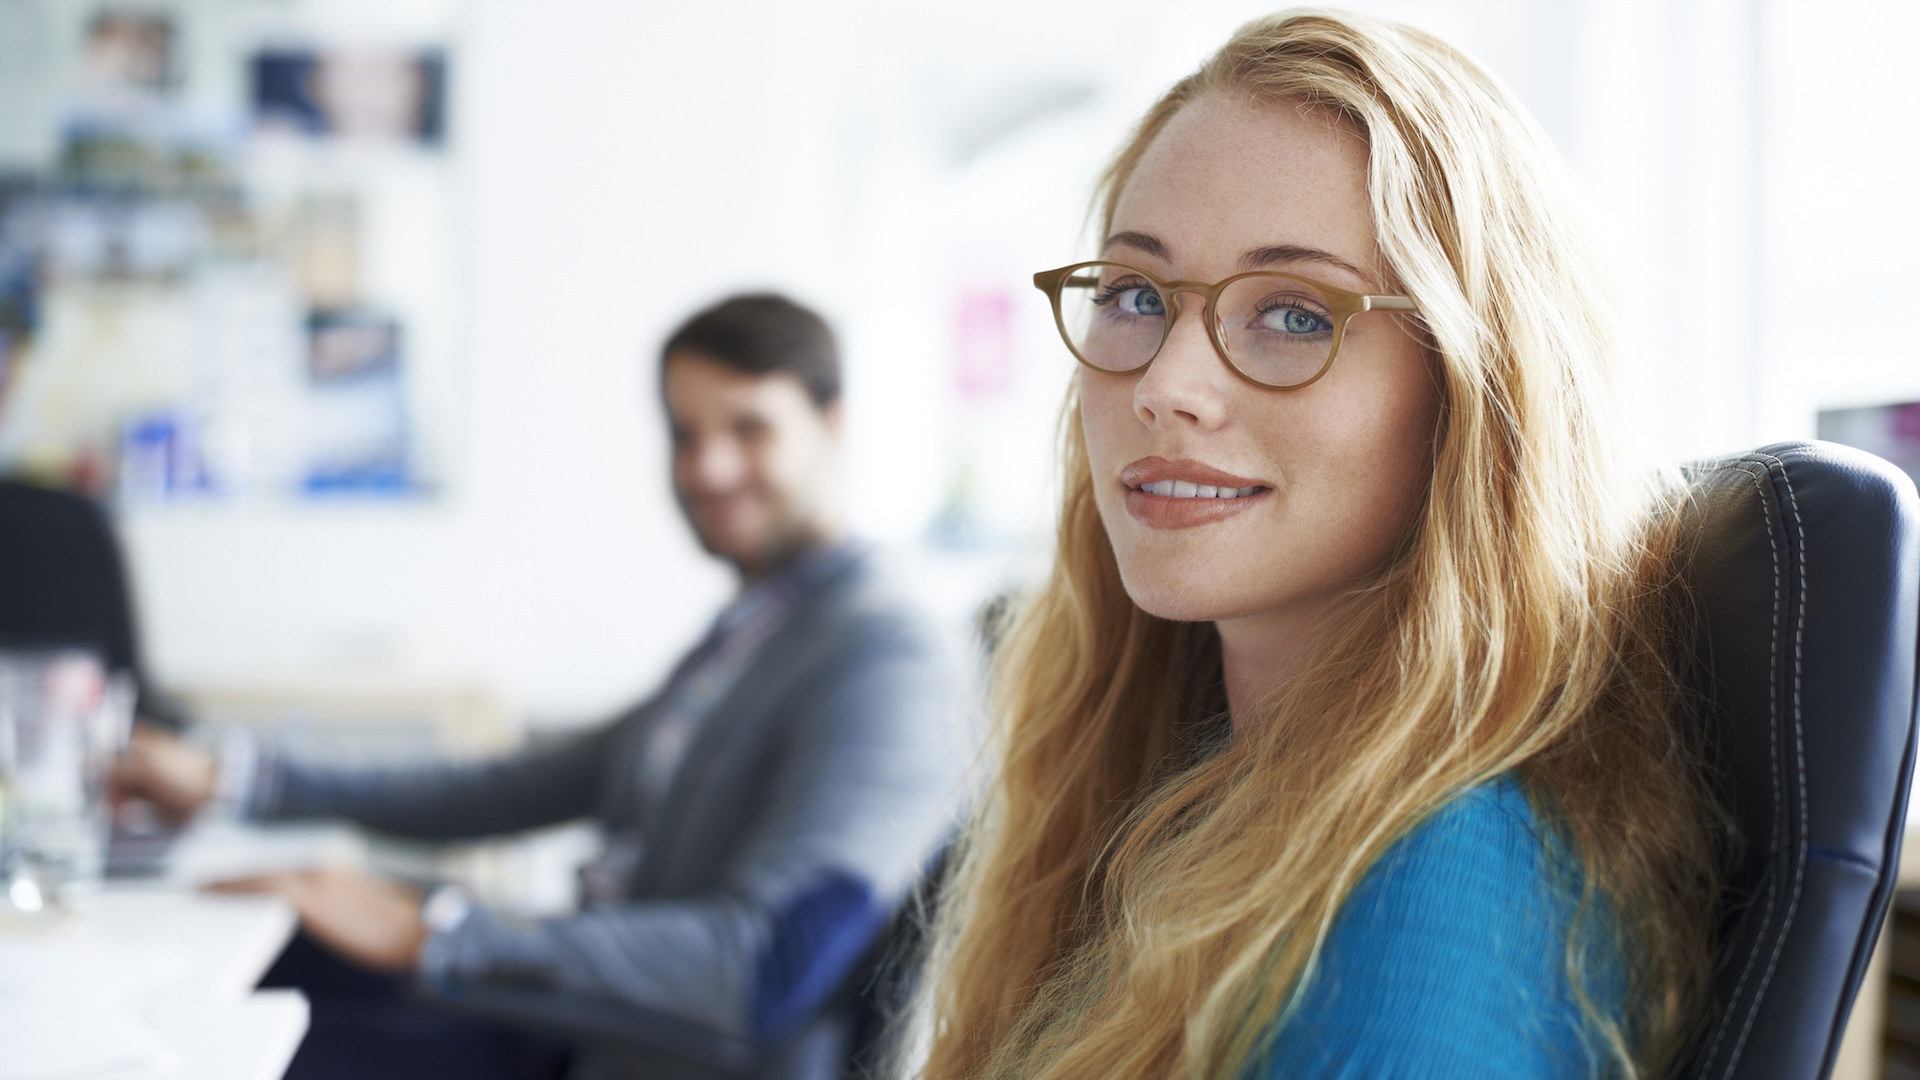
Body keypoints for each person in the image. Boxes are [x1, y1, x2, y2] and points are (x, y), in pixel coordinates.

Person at [914, 11, 1723, 1080]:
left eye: (1296, 314)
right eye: (1135, 296)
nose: (1165, 386)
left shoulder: (1433, 910)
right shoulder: (1182, 787)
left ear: (1479, 390)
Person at [115, 293, 965, 1080]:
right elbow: (516, 783)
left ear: (832, 424)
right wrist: (240, 780)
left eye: (750, 427)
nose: (709, 467)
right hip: (569, 1024)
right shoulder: (763, 627)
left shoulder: (887, 658)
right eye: (684, 433)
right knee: (249, 958)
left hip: (630, 1057)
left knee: (193, 1053)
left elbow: (763, 966)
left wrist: (434, 928)